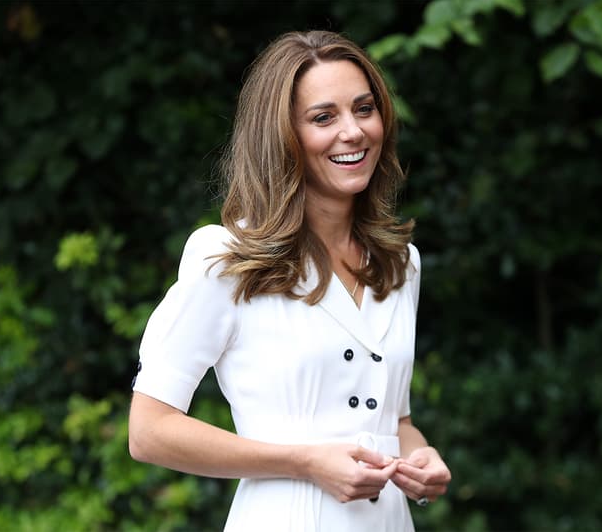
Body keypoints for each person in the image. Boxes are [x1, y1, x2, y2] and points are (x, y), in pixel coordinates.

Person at [128, 30, 451, 531]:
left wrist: (422, 454)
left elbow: (395, 422)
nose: (353, 131)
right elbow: (149, 432)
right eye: (324, 117)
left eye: (364, 109)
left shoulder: (400, 264)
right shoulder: (227, 259)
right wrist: (303, 462)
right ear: (282, 135)